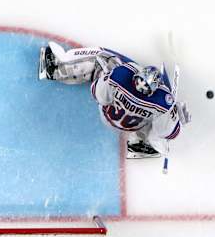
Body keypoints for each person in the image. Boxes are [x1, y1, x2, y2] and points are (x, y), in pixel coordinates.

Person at [38, 42, 191, 159]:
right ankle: (140, 144)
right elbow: (170, 133)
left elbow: (98, 95)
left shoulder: (121, 75)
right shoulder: (162, 102)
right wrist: (175, 118)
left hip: (108, 116)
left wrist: (107, 76)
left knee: (100, 57)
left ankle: (56, 69)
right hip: (131, 127)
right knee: (160, 124)